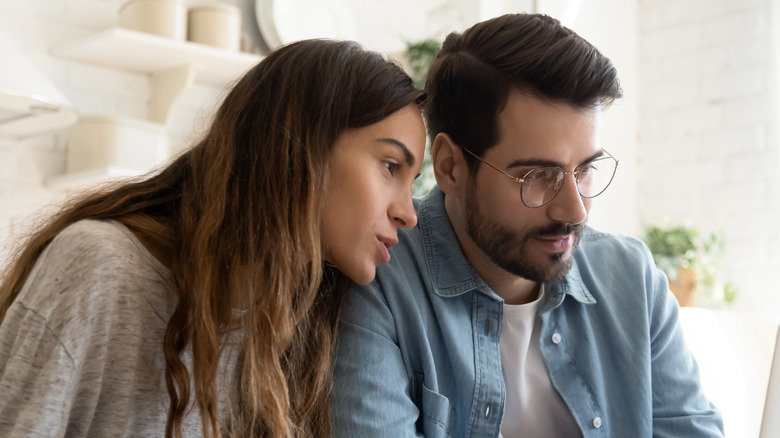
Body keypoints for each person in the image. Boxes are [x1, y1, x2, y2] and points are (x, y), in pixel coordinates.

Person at [0, 39, 426, 437]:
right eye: (390, 166)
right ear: (304, 149)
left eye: (412, 181)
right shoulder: (99, 267)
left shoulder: (304, 320)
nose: (408, 213)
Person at [331, 13, 724, 437]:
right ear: (449, 167)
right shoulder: (376, 281)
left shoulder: (632, 278)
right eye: (538, 177)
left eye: (586, 170)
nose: (576, 212)